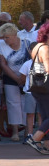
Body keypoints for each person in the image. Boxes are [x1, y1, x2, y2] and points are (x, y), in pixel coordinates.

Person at [0, 23, 30, 141]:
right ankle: (15, 132)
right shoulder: (2, 45)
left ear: (15, 35)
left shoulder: (27, 42)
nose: (5, 40)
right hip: (10, 77)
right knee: (12, 104)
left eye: (7, 37)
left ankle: (28, 131)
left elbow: (33, 60)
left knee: (26, 103)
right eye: (3, 37)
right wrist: (16, 78)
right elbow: (3, 64)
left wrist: (24, 77)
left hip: (27, 77)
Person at [23, 22, 49, 154]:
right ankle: (35, 139)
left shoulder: (37, 47)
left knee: (46, 117)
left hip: (37, 87)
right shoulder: (46, 49)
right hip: (46, 87)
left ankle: (46, 145)